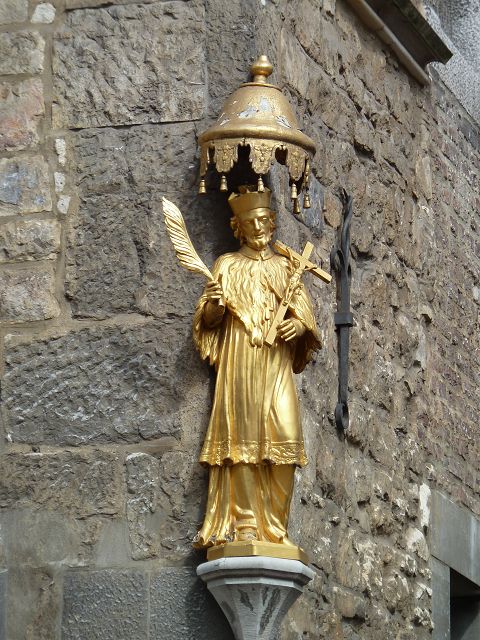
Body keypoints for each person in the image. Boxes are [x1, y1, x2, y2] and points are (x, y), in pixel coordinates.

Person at [193, 186, 320, 548]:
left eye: (264, 220)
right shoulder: (227, 265)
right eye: (250, 222)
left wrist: (299, 326)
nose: (259, 227)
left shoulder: (286, 267)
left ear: (272, 222)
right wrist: (215, 307)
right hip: (240, 360)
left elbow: (305, 316)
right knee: (242, 440)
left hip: (276, 363)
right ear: (238, 227)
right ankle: (246, 523)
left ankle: (276, 528)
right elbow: (208, 321)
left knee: (285, 433)